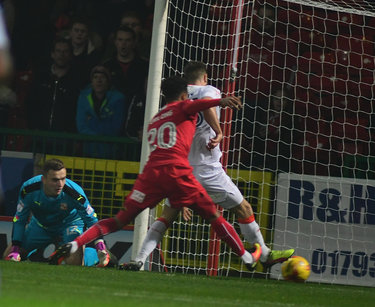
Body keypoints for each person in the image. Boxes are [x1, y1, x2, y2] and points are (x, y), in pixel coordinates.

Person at [49, 76, 262, 271]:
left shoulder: (156, 118)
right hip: (177, 172)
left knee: (119, 220)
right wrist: (220, 102)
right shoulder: (184, 107)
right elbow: (201, 105)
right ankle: (245, 257)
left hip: (151, 175)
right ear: (183, 95)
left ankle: (76, 243)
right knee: (215, 216)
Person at [123, 62, 294, 271]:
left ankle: (139, 259)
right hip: (208, 168)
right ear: (204, 77)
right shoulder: (208, 90)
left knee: (167, 217)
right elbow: (207, 104)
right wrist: (219, 131)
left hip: (181, 169)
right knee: (243, 208)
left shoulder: (173, 104)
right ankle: (264, 254)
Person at [3, 158, 111, 267]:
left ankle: (91, 255)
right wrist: (15, 248)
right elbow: (19, 218)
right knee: (8, 256)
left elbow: (92, 220)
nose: (60, 184)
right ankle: (32, 254)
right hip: (40, 226)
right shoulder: (28, 189)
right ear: (43, 179)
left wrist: (100, 246)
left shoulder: (75, 192)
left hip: (70, 225)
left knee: (74, 264)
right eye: (55, 180)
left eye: (63, 179)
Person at [25, 37, 83, 132]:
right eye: (58, 51)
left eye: (65, 51)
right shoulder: (41, 77)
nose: (61, 55)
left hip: (64, 138)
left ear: (70, 55)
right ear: (52, 54)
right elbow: (31, 102)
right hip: (38, 134)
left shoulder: (76, 80)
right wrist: (33, 125)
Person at [76, 65, 127, 158]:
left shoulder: (118, 99)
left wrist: (93, 125)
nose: (99, 81)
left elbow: (116, 126)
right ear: (91, 81)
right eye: (95, 77)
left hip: (110, 151)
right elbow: (81, 125)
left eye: (102, 77)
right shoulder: (83, 97)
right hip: (88, 150)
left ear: (108, 81)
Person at [102, 25, 148, 102]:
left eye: (128, 40)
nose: (123, 44)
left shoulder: (145, 65)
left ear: (134, 42)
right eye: (120, 40)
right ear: (115, 42)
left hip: (138, 109)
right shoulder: (107, 66)